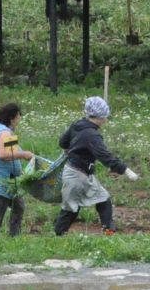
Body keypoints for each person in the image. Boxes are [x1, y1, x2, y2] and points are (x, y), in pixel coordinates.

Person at [55, 96, 138, 236]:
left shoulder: (77, 124)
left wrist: (74, 148)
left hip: (80, 172)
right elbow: (105, 156)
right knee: (70, 208)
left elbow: (63, 142)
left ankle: (109, 232)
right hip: (76, 175)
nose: (106, 119)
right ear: (99, 116)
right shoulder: (92, 135)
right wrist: (126, 170)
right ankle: (58, 236)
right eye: (105, 116)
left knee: (103, 198)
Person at [0, 102, 36, 241]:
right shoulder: (4, 132)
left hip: (9, 180)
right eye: (18, 117)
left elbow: (10, 151)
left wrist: (21, 155)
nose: (19, 120)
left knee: (19, 206)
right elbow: (3, 154)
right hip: (0, 180)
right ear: (11, 118)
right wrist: (24, 155)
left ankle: (14, 237)